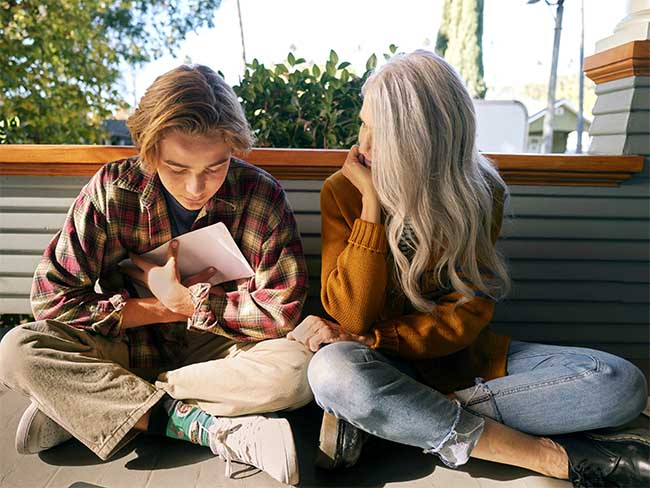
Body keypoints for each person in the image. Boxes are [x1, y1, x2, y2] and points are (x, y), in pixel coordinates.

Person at [288, 50, 649, 487]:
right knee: (331, 372)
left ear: (424, 138)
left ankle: (395, 423)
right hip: (378, 367)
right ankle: (547, 458)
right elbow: (351, 316)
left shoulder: (481, 194)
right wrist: (371, 208)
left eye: (379, 132)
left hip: (463, 364)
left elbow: (469, 312)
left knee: (619, 382)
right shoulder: (344, 193)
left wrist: (386, 351)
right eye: (363, 123)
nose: (361, 145)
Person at [0, 65, 312, 486]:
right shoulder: (113, 189)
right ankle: (201, 425)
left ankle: (98, 402)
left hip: (220, 352)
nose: (197, 187)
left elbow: (282, 312)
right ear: (149, 150)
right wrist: (165, 308)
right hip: (126, 342)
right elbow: (51, 298)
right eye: (178, 168)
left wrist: (190, 303)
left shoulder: (260, 194)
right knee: (18, 349)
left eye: (215, 167)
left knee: (298, 370)